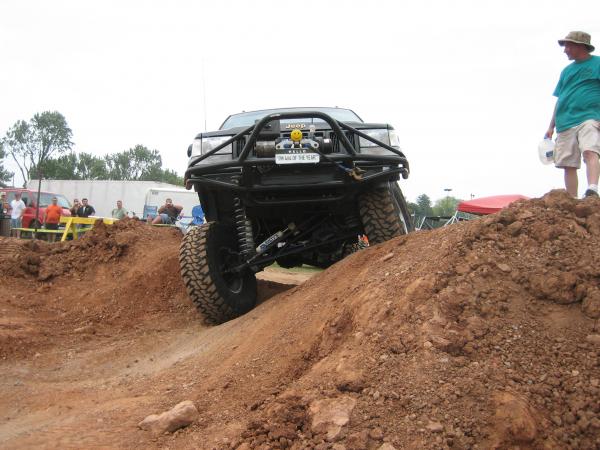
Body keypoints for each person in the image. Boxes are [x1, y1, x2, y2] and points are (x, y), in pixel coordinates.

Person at [545, 31, 600, 198]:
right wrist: (550, 126)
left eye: (568, 46)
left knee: (590, 150)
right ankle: (572, 200)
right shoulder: (566, 71)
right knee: (568, 163)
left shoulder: (597, 64)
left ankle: (592, 189)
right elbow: (560, 99)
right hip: (564, 122)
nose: (565, 50)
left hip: (589, 116)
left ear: (580, 46)